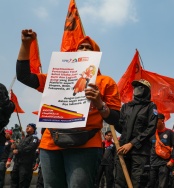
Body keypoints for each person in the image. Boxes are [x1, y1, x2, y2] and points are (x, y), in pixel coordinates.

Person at [16, 29, 122, 187]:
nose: (84, 50)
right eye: (81, 47)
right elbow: (23, 76)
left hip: (86, 145)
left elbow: (115, 118)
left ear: (97, 56)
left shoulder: (106, 81)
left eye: (89, 48)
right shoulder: (56, 75)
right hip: (50, 143)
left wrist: (100, 103)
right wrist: (26, 44)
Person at [114, 79, 158, 188]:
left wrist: (132, 143)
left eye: (140, 87)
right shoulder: (126, 107)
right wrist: (112, 119)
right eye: (135, 87)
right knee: (120, 182)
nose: (136, 89)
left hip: (139, 152)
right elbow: (121, 128)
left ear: (147, 90)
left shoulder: (151, 107)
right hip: (123, 150)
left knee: (137, 182)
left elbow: (151, 128)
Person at [147, 113, 174, 188]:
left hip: (164, 164)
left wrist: (172, 160)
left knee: (162, 185)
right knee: (151, 184)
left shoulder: (170, 133)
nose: (154, 122)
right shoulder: (151, 133)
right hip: (152, 164)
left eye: (156, 120)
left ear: (162, 120)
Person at [7, 123, 39, 188]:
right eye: (27, 126)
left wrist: (19, 150)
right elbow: (16, 149)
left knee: (23, 182)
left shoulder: (34, 138)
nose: (27, 127)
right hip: (17, 163)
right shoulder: (22, 139)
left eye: (30, 127)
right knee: (14, 180)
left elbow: (31, 147)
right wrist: (15, 147)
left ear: (33, 130)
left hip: (26, 165)